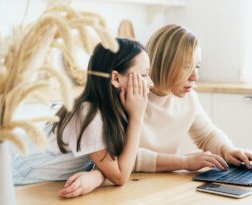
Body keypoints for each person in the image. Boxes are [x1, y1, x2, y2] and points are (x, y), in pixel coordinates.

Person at [59, 24, 252, 198]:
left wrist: (228, 149)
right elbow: (122, 157)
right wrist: (184, 161)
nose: (194, 77)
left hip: (153, 186)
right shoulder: (127, 97)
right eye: (186, 67)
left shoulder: (188, 98)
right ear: (163, 64)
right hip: (129, 189)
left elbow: (207, 134)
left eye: (197, 66)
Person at [11, 39, 154, 191]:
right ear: (116, 79)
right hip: (22, 181)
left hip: (47, 184)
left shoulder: (113, 111)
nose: (150, 83)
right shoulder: (88, 115)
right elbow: (120, 175)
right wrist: (137, 117)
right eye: (144, 75)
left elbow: (120, 159)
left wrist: (97, 175)